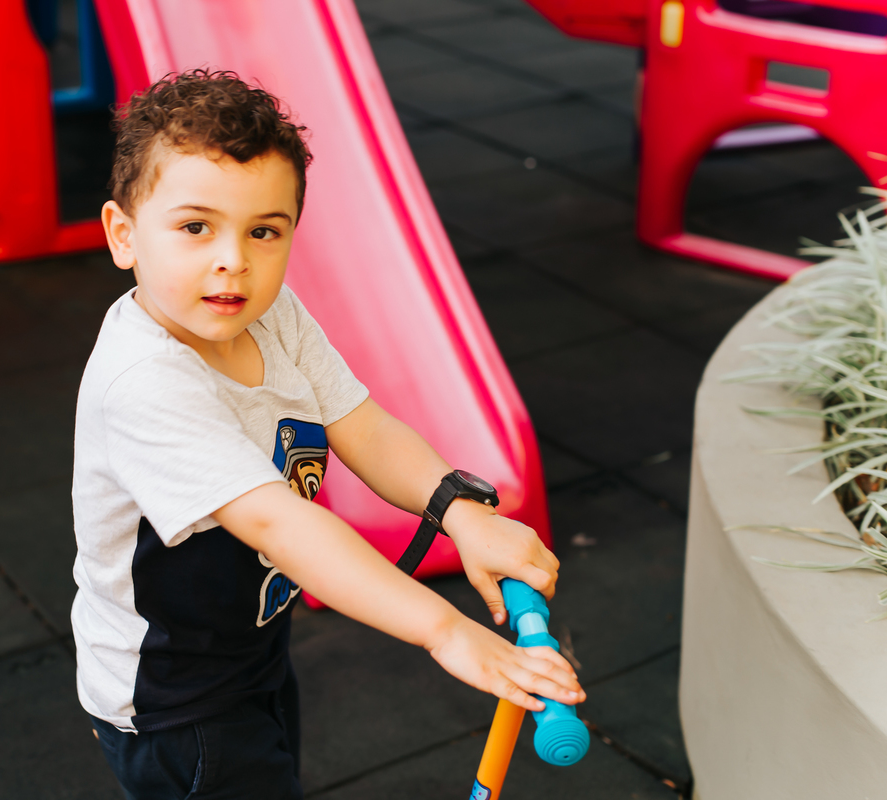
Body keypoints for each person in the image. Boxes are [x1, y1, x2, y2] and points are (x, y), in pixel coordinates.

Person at [72, 68, 584, 799]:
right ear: (124, 235)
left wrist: (459, 512)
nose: (233, 260)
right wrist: (445, 629)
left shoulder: (270, 315)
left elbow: (361, 426)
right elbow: (280, 525)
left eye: (263, 231)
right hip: (173, 699)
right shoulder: (146, 382)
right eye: (195, 227)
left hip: (246, 647)